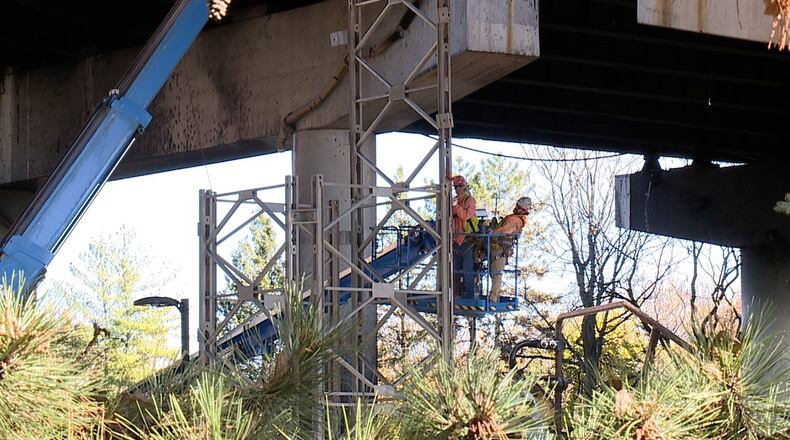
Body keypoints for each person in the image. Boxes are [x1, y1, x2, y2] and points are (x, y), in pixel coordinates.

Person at [489, 196, 532, 302]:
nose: (516, 208)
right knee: (494, 272)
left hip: (500, 249)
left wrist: (492, 233)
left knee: (496, 273)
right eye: (517, 206)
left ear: (524, 210)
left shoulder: (515, 220)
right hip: (497, 248)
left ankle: (493, 299)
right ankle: (495, 297)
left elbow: (505, 230)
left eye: (519, 207)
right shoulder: (513, 218)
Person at [451, 175, 477, 298]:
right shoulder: (454, 201)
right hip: (455, 240)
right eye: (455, 187)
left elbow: (467, 215)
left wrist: (456, 207)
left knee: (467, 270)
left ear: (464, 186)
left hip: (467, 240)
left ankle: (470, 294)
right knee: (454, 270)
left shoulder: (469, 201)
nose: (457, 189)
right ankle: (456, 293)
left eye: (459, 186)